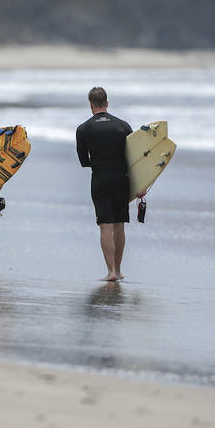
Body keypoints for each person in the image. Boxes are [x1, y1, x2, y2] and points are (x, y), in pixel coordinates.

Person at [75, 86, 135, 282]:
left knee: (105, 226)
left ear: (91, 105)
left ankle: (110, 272)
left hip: (100, 179)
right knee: (119, 224)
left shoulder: (83, 129)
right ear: (107, 103)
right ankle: (118, 270)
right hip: (122, 179)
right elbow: (135, 158)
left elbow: (84, 161)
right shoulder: (123, 126)